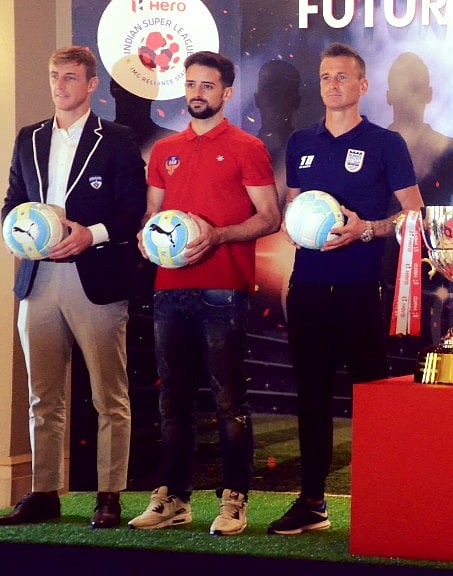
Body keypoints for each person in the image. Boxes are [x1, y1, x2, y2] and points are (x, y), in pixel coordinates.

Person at [266, 43, 424, 536]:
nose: (333, 84)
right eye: (326, 76)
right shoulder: (301, 143)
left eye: (343, 77)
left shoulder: (385, 143)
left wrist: (368, 229)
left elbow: (415, 215)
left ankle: (381, 502)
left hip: (360, 288)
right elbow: (294, 206)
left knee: (371, 400)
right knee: (311, 398)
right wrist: (295, 228)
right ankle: (312, 502)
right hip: (308, 287)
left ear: (363, 86)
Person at [127, 51, 280, 536]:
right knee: (172, 399)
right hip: (170, 289)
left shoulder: (246, 146)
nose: (197, 93)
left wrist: (217, 236)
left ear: (226, 93)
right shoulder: (164, 151)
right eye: (191, 84)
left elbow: (269, 217)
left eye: (207, 86)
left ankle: (234, 500)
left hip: (223, 289)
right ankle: (173, 498)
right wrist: (145, 237)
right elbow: (153, 215)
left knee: (228, 399)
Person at [0, 45, 146, 530]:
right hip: (38, 278)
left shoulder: (119, 139)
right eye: (54, 76)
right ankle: (44, 492)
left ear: (90, 85)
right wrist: (17, 233)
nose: (60, 85)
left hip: (96, 275)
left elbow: (130, 210)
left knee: (109, 395)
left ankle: (109, 494)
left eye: (69, 77)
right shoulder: (29, 138)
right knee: (43, 396)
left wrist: (91, 234)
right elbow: (12, 204)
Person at [381, 52, 453, 357]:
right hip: (371, 275)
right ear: (388, 95)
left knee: (428, 366)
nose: (407, 95)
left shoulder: (450, 150)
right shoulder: (368, 147)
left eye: (415, 86)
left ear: (429, 94)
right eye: (400, 86)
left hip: (433, 278)